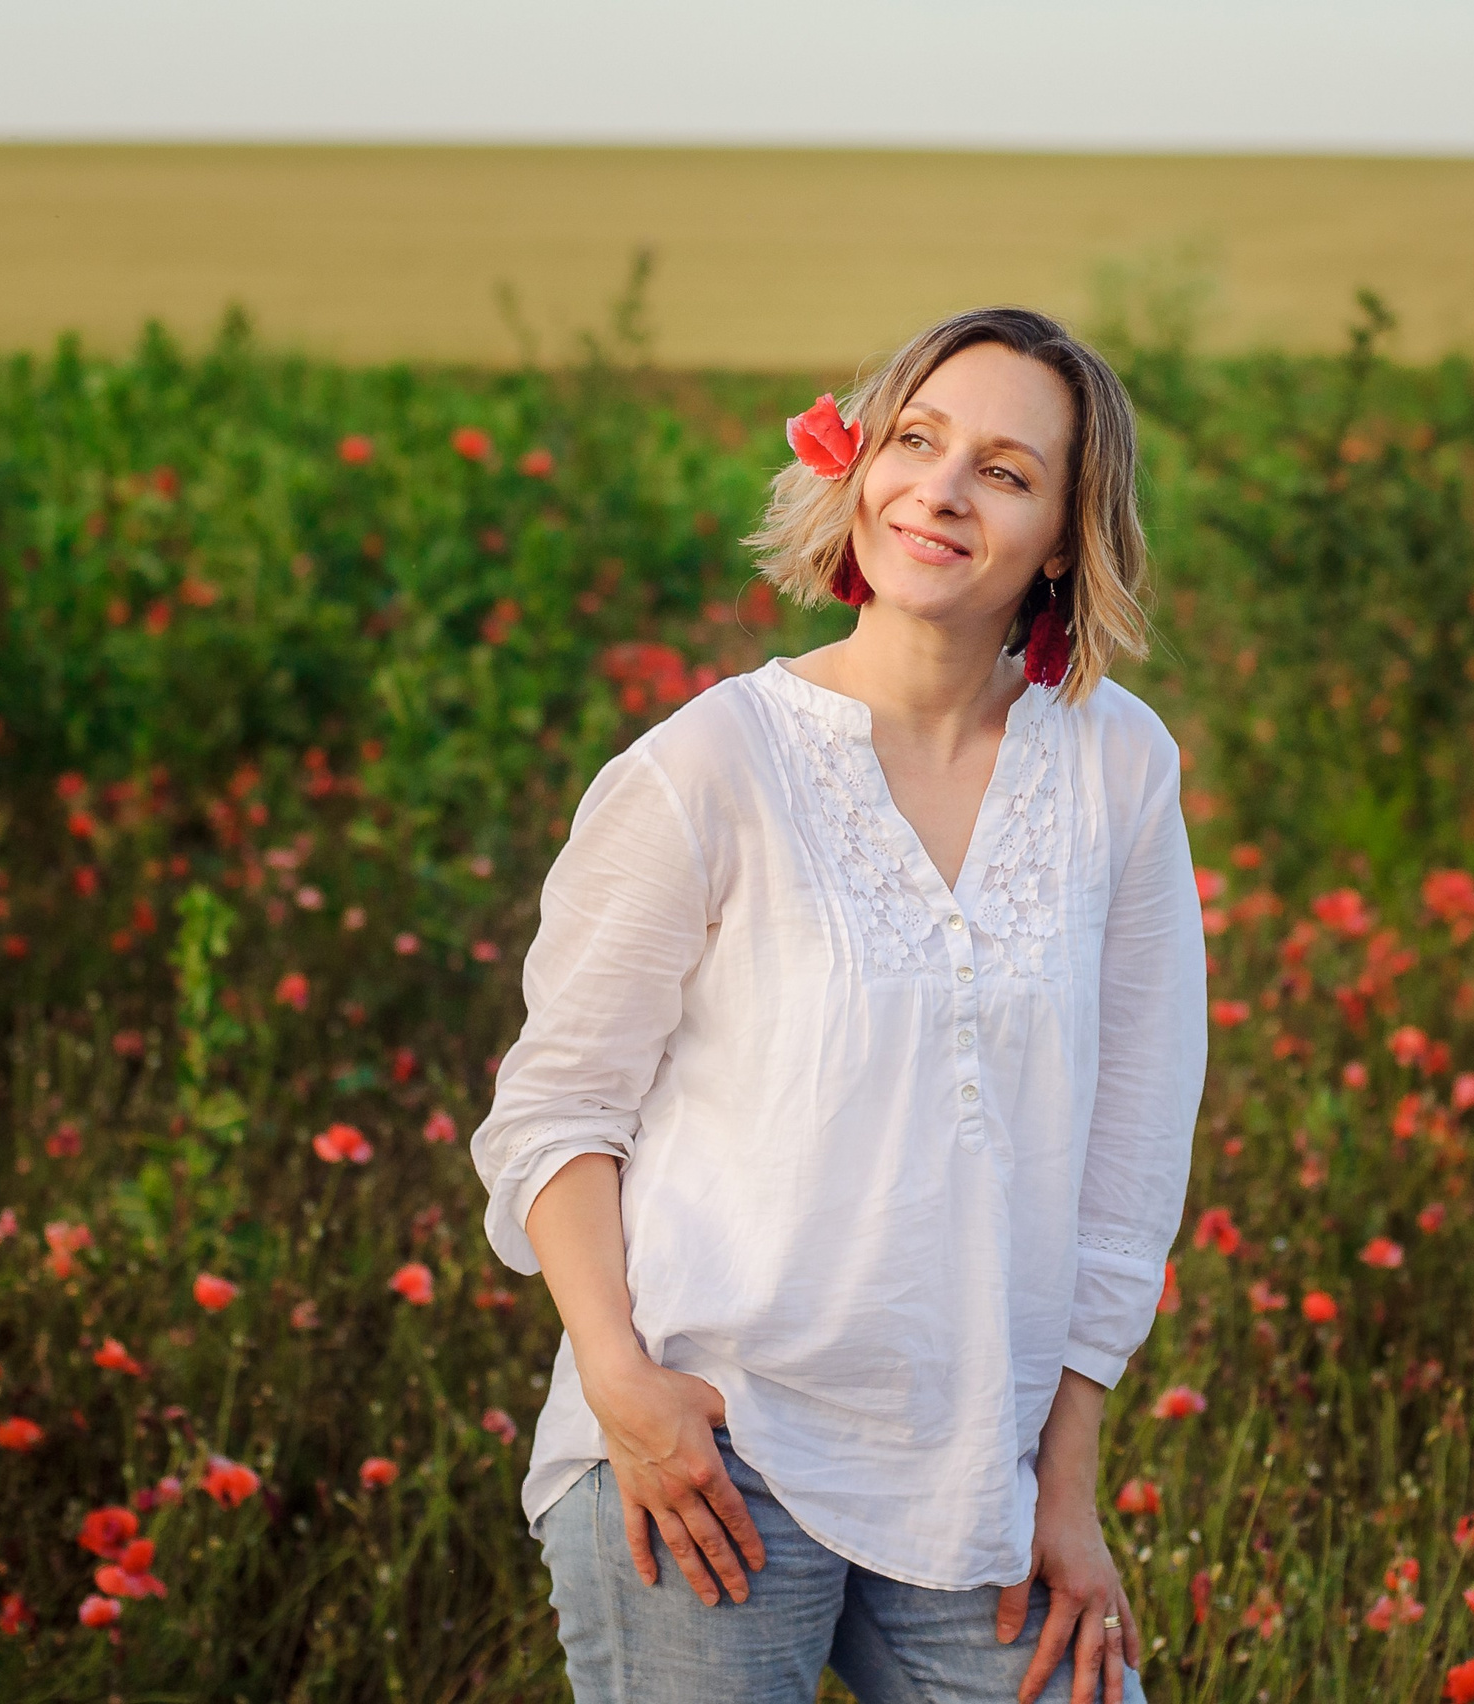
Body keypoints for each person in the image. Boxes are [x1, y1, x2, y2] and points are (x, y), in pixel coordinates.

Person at [469, 306, 1208, 1704]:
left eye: (1003, 469)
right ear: (857, 468)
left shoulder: (1118, 766)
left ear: (1062, 535)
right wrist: (623, 1387)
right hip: (708, 1449)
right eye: (916, 441)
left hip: (973, 1466)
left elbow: (1130, 1158)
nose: (939, 488)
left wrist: (1066, 1486)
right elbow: (557, 1112)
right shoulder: (705, 769)